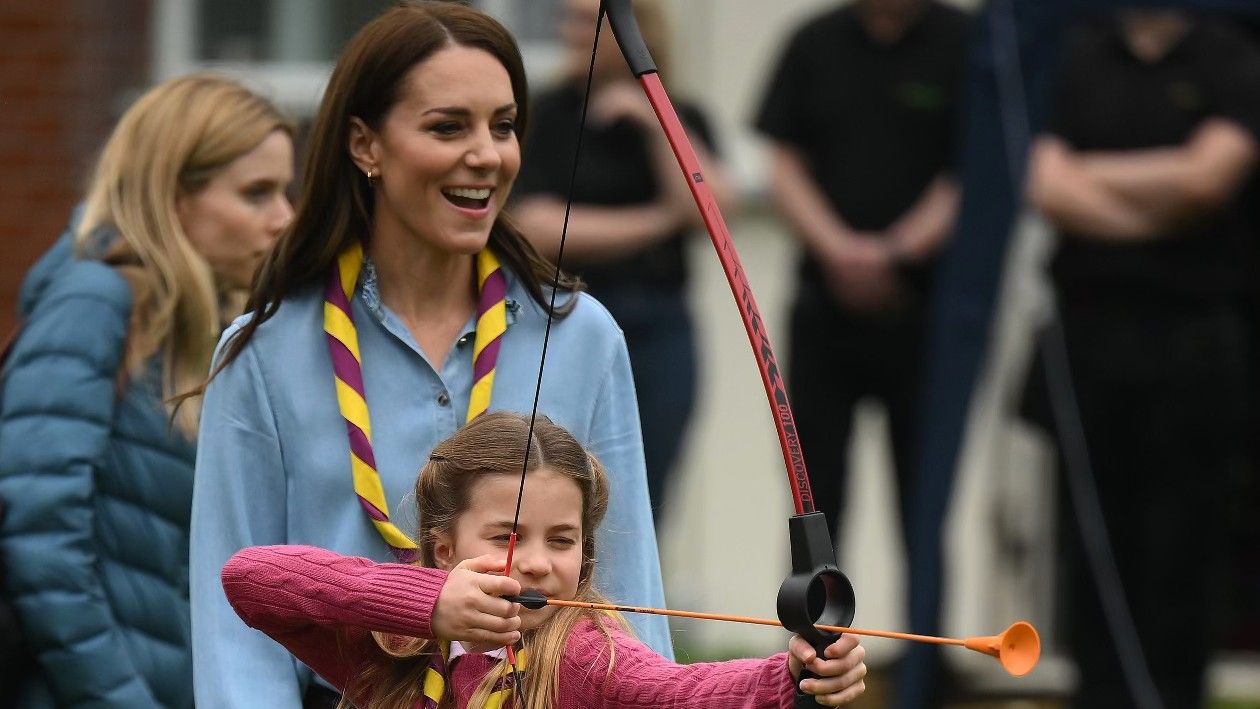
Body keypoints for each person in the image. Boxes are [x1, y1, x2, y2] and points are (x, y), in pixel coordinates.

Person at [189, 4, 671, 707]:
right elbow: (232, 628)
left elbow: (629, 599)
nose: (487, 155)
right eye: (448, 126)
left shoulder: (583, 335)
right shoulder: (262, 350)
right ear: (366, 145)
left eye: (503, 126)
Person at [222, 412, 868, 709]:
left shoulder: (583, 653)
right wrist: (428, 604)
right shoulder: (394, 649)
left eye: (561, 539)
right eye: (508, 534)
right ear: (445, 548)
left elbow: (682, 692)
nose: (535, 562)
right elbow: (250, 580)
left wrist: (794, 674)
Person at [0, 74, 294, 707]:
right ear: (173, 198)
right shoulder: (94, 303)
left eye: (284, 191)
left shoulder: (197, 326)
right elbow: (37, 536)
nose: (283, 219)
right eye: (256, 193)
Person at [1027, 10, 1260, 708]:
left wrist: (1091, 178)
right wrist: (1158, 205)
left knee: (1182, 543)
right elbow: (1044, 185)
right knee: (1094, 541)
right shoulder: (1076, 57)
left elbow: (1208, 180)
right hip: (1090, 335)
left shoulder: (1229, 57)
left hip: (1194, 337)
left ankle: (1173, 695)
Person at [753, 0, 969, 704]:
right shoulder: (814, 42)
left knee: (925, 501)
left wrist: (895, 249)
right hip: (824, 314)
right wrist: (839, 247)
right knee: (818, 506)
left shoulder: (962, 43)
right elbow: (783, 162)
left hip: (926, 319)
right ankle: (810, 663)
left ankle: (928, 674)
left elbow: (973, 171)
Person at [512, 0, 738, 520]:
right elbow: (538, 227)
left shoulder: (676, 110)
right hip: (567, 317)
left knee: (649, 493)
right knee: (556, 482)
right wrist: (661, 221)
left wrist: (656, 124)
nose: (568, 31)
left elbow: (716, 208)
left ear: (631, 28)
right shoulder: (549, 112)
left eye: (583, 19)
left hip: (659, 326)